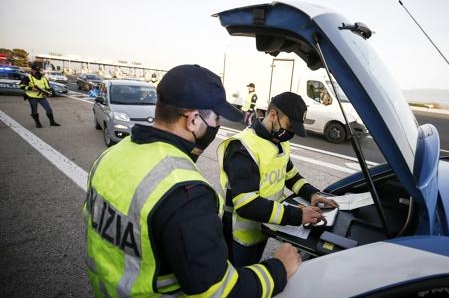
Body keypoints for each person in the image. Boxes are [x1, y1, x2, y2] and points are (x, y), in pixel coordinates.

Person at [82, 64, 301, 298]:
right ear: (194, 120)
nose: (218, 126)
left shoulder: (110, 155)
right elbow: (220, 291)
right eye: (217, 118)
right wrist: (279, 268)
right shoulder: (185, 192)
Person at [217, 91, 338, 266]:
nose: (290, 133)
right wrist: (297, 215)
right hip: (240, 236)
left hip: (266, 227)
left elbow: (290, 175)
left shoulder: (279, 142)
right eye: (289, 126)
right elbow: (246, 205)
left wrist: (312, 194)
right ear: (273, 115)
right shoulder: (243, 148)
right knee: (240, 280)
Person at [19, 62, 61, 128]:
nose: (37, 72)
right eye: (35, 70)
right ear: (32, 70)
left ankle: (52, 122)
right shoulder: (28, 77)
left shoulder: (43, 78)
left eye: (38, 70)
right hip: (32, 97)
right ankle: (37, 123)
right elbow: (21, 86)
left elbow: (48, 87)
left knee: (49, 109)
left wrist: (49, 92)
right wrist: (30, 88)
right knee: (34, 111)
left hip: (42, 96)